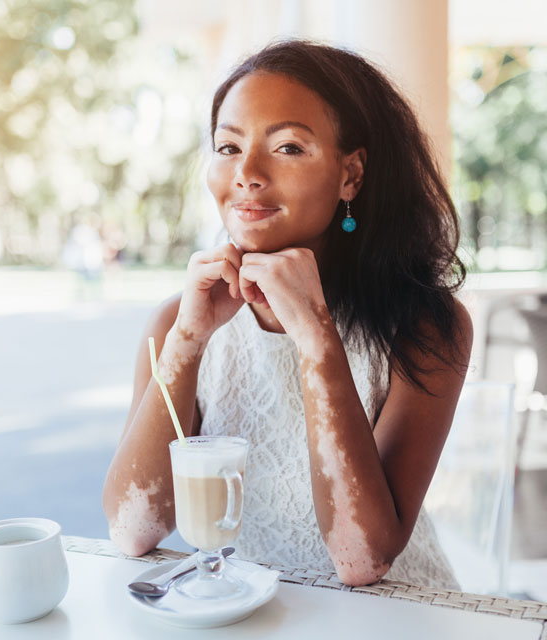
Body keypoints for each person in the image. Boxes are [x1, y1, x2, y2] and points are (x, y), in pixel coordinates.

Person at [103, 39, 473, 589]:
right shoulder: (175, 325)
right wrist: (188, 338)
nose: (246, 173)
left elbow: (362, 560)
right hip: (245, 612)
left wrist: (316, 337)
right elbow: (133, 530)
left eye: (289, 148)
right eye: (228, 147)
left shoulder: (424, 327)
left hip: (392, 618)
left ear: (351, 175)